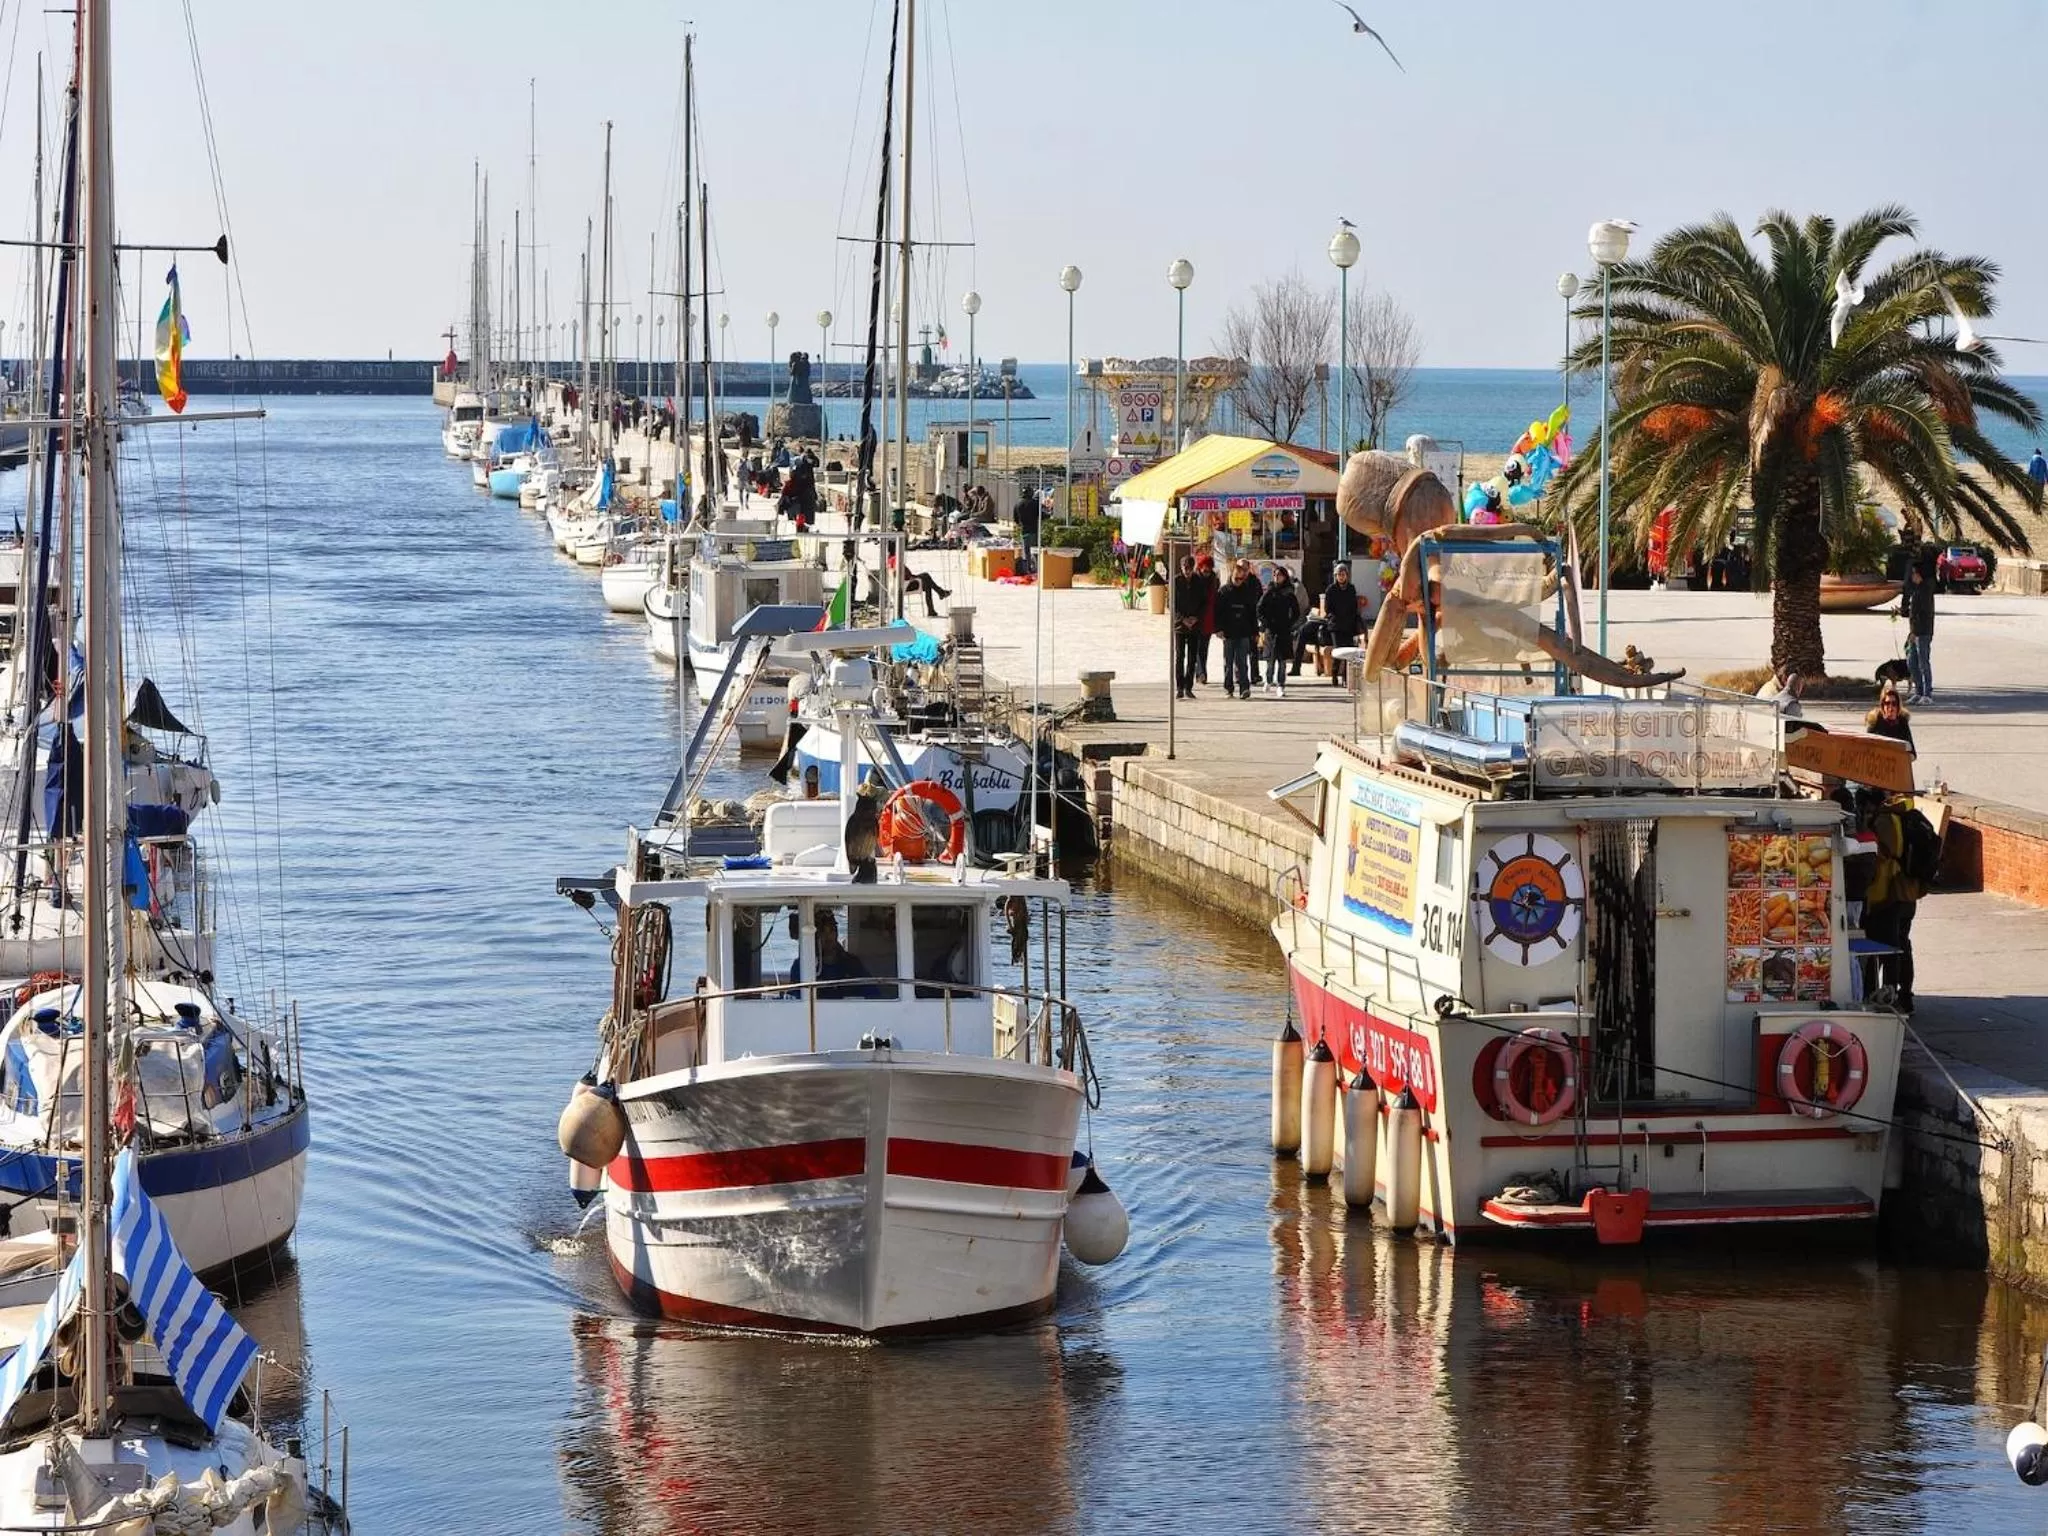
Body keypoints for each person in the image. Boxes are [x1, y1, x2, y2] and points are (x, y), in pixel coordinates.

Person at [1863, 794, 1929, 1013]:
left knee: (1886, 949)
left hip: (1888, 894)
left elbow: (1886, 853)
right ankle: (1904, 996)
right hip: (1908, 892)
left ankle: (1886, 998)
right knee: (1902, 946)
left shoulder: (1885, 820)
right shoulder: (1904, 816)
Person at [1214, 560, 1262, 699]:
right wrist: (1218, 629)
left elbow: (1252, 613)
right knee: (1228, 662)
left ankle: (1244, 688)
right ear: (1232, 575)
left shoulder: (1247, 592)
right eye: (1236, 578)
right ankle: (1228, 688)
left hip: (1243, 632)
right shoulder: (1224, 591)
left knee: (1242, 662)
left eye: (1241, 579)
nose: (1239, 581)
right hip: (1228, 632)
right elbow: (1217, 612)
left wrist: (1255, 632)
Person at [1258, 567, 1302, 698]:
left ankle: (1281, 685)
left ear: (1285, 577)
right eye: (1275, 575)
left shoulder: (1289, 592)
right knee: (1270, 660)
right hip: (1271, 630)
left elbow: (1296, 612)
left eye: (1280, 575)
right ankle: (1268, 680)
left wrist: (1290, 623)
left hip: (1284, 630)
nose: (1277, 577)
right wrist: (1265, 623)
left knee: (1282, 661)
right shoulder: (1270, 591)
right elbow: (1260, 608)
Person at [1896, 560, 1936, 702]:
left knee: (1923, 662)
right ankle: (1918, 691)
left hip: (1922, 632)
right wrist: (1903, 611)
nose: (1912, 576)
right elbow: (1914, 612)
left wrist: (1915, 632)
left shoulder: (1925, 591)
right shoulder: (1917, 589)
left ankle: (1927, 693)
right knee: (1911, 661)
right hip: (1914, 631)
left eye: (1914, 573)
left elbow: (1924, 614)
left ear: (1919, 575)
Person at [1323, 562, 1364, 687]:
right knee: (1338, 651)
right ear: (1335, 576)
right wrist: (1334, 617)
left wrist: (1355, 621)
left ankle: (1346, 678)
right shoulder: (1331, 590)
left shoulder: (1351, 588)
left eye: (1343, 574)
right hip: (1336, 625)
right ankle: (1334, 675)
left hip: (1349, 625)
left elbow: (1354, 607)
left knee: (1349, 652)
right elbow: (1327, 608)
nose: (1341, 577)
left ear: (1347, 575)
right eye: (1339, 574)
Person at [1172, 555, 1205, 700]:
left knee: (1192, 658)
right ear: (1181, 567)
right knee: (1180, 656)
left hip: (1195, 624)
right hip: (1180, 625)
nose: (1187, 571)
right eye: (1185, 568)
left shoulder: (1198, 581)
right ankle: (1179, 687)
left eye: (1190, 568)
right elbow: (1172, 603)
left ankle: (1188, 687)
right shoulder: (1176, 581)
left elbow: (1203, 602)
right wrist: (1182, 619)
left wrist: (1196, 617)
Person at [1192, 553, 1218, 685]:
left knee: (1203, 647)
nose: (1207, 571)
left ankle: (1201, 673)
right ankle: (1200, 673)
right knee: (1197, 648)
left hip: (1208, 618)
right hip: (1196, 618)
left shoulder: (1214, 580)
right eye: (1205, 569)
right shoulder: (1195, 579)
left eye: (1209, 569)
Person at [1865, 684, 1915, 754]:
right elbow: (1867, 749)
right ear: (1882, 705)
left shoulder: (1902, 721)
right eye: (1887, 703)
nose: (1890, 707)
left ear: (1898, 706)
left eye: (1894, 703)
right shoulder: (1874, 721)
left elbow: (1912, 752)